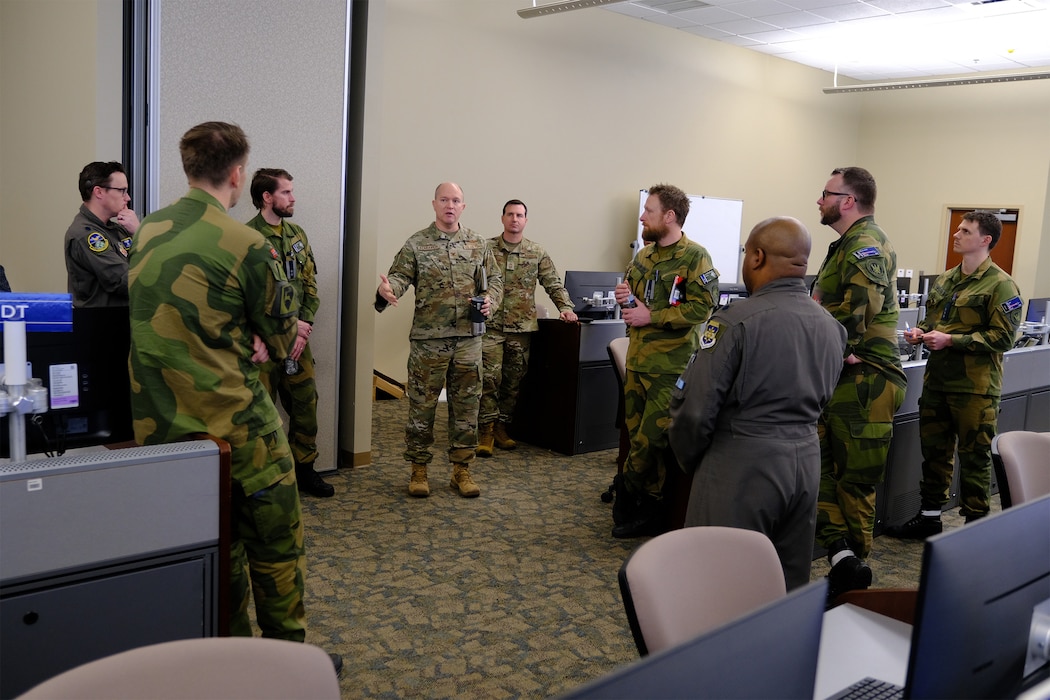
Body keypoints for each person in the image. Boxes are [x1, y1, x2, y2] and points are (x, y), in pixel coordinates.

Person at [128, 122, 334, 669]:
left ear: (188, 167)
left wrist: (250, 335)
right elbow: (283, 341)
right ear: (239, 175)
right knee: (277, 549)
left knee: (216, 551)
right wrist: (256, 340)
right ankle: (286, 666)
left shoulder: (146, 231)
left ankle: (230, 664)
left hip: (164, 436)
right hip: (238, 431)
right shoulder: (248, 244)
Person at [668, 217, 846, 590]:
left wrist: (693, 463)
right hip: (806, 462)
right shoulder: (832, 326)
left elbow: (695, 410)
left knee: (719, 583)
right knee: (786, 582)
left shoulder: (736, 322)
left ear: (757, 257)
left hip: (740, 464)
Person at [886, 211, 1023, 538]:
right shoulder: (946, 280)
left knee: (974, 459)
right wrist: (920, 332)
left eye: (965, 231)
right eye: (958, 228)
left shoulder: (1001, 285)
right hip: (938, 383)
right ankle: (929, 518)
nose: (956, 234)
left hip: (975, 390)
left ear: (985, 239)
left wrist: (952, 340)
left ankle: (976, 528)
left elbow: (1004, 338)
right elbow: (935, 321)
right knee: (934, 454)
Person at [812, 166, 906, 602]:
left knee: (854, 483)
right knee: (820, 470)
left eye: (826, 193)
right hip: (843, 375)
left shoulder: (865, 244)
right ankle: (842, 558)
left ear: (848, 201)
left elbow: (861, 306)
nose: (819, 200)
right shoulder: (846, 244)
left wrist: (841, 345)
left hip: (867, 379)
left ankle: (855, 582)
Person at [376, 182, 503, 498]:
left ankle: (462, 470)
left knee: (467, 407)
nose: (450, 205)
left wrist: (491, 299)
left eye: (456, 200)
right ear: (434, 204)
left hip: (469, 340)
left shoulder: (478, 244)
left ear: (463, 206)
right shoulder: (417, 244)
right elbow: (399, 277)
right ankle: (418, 469)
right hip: (428, 341)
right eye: (444, 199)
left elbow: (495, 280)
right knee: (422, 406)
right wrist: (387, 290)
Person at [611, 183, 719, 539]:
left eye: (649, 211)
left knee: (650, 441)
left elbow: (702, 308)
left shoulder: (695, 257)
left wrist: (651, 316)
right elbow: (634, 303)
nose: (643, 217)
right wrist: (625, 299)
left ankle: (626, 488)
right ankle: (649, 507)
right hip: (638, 361)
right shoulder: (643, 257)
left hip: (670, 368)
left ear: (669, 216)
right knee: (638, 439)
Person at [246, 168, 333, 499]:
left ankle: (305, 470)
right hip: (263, 344)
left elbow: (310, 284)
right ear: (267, 197)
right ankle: (268, 479)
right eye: (286, 192)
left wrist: (302, 327)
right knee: (262, 412)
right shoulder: (248, 238)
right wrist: (285, 328)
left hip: (298, 343)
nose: (293, 198)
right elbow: (247, 297)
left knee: (305, 405)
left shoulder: (297, 234)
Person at [477, 199, 577, 457]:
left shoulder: (536, 252)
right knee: (489, 379)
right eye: (510, 214)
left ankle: (501, 427)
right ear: (502, 218)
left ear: (525, 220)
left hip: (520, 328)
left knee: (512, 382)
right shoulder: (486, 248)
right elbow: (470, 280)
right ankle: (485, 430)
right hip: (490, 327)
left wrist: (565, 307)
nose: (515, 219)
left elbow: (553, 282)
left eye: (519, 215)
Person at [64, 161, 140, 307]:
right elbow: (124, 281)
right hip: (102, 320)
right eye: (122, 191)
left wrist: (138, 233)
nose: (128, 198)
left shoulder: (118, 229)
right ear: (98, 192)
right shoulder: (86, 235)